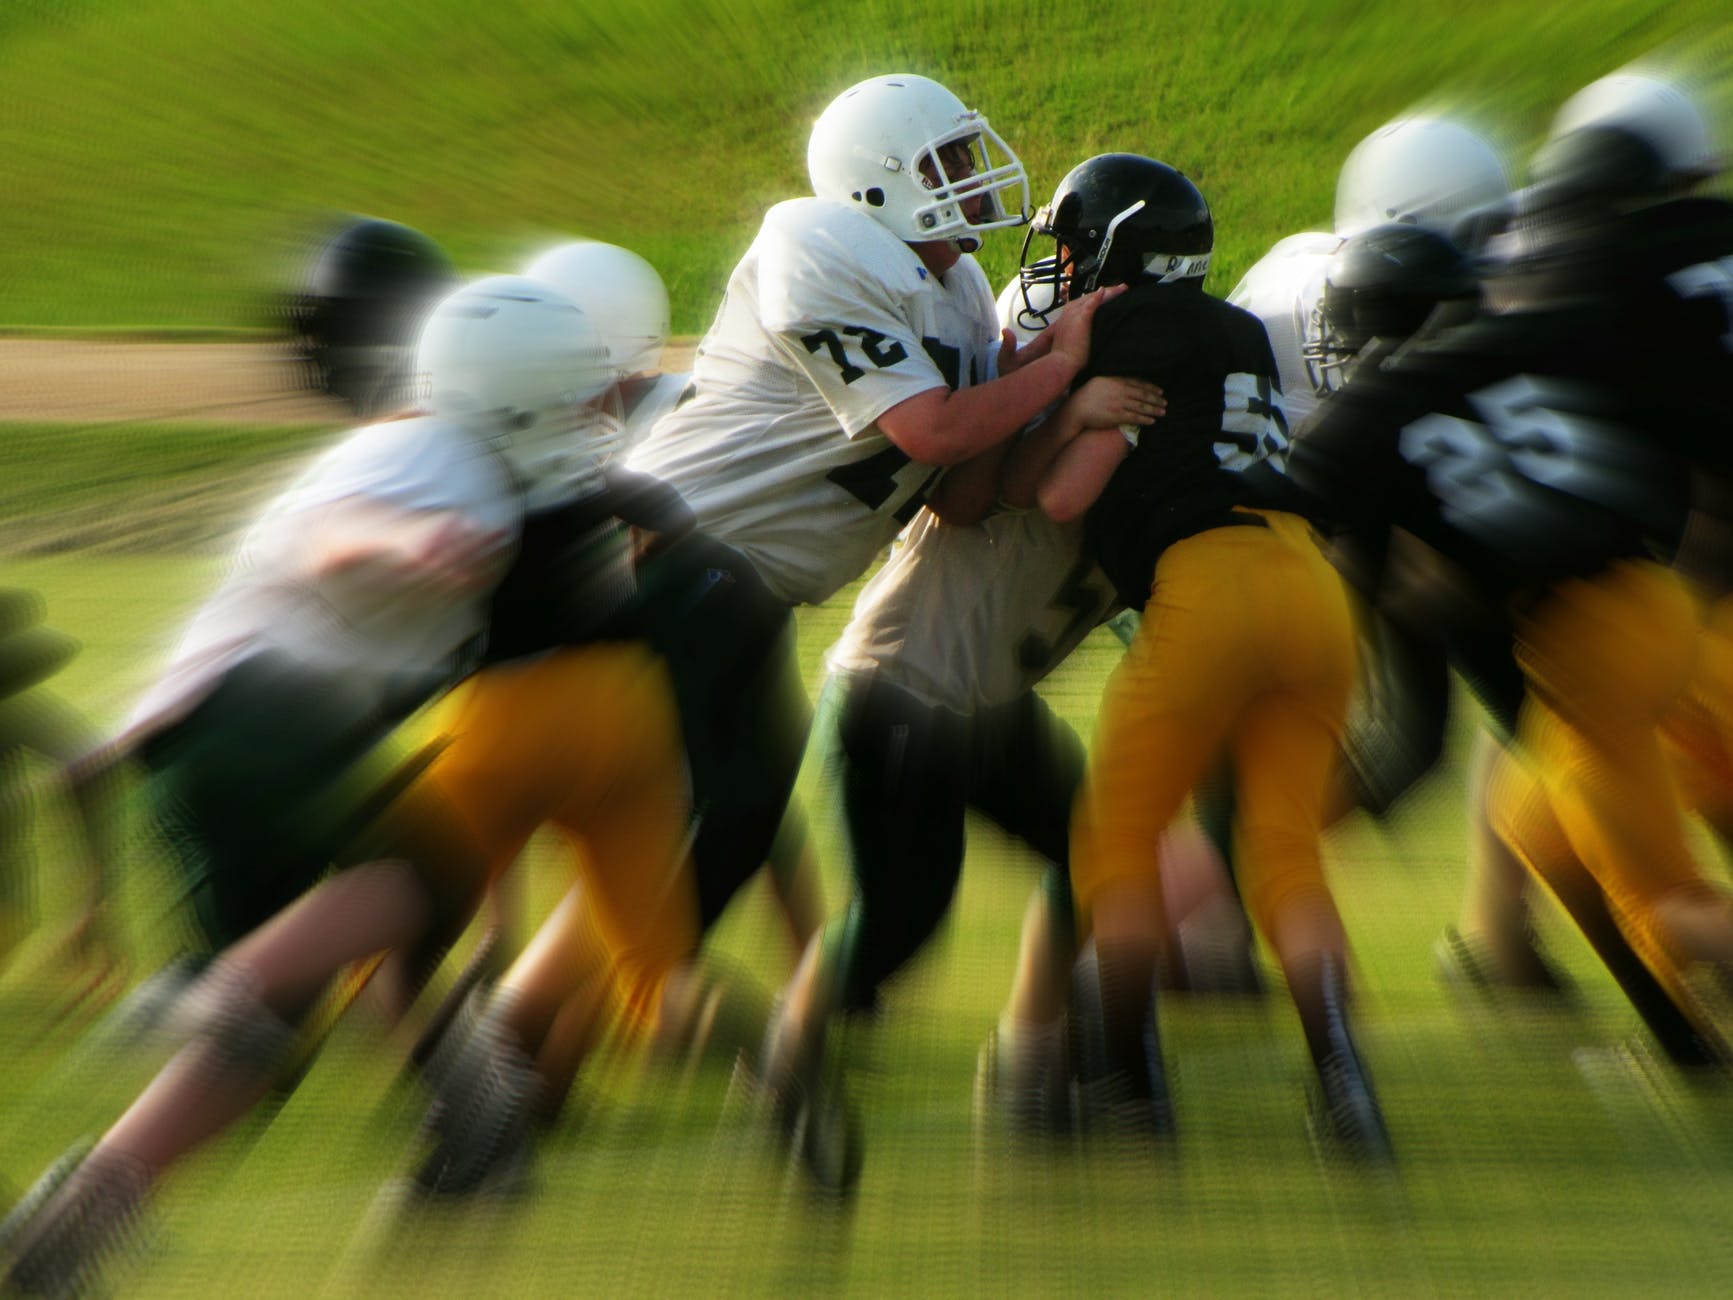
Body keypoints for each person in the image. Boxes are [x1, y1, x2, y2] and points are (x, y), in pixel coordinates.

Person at [0, 274, 629, 1294]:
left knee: (271, 1041)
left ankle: (83, 1209)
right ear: (511, 392)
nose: (585, 412)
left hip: (218, 749)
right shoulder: (438, 456)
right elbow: (330, 535)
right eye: (569, 392)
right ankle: (223, 985)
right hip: (258, 723)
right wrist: (404, 544)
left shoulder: (461, 465)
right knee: (428, 873)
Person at [618, 71, 1123, 1189]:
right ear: (876, 183)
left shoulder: (950, 292)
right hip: (670, 551)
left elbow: (955, 489)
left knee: (723, 812)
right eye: (941, 164)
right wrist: (1056, 368)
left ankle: (592, 1014)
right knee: (721, 807)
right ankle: (561, 1025)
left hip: (739, 585)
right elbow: (932, 427)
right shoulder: (818, 243)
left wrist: (1051, 392)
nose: (968, 182)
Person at [1289, 115, 1733, 1077]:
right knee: (1541, 827)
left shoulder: (1370, 416)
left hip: (1591, 657)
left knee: (1666, 898)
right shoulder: (1542, 333)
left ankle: (1686, 1007)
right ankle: (1682, 1042)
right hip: (1669, 606)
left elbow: (1404, 714)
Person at [1005, 152, 1389, 1157]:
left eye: (1072, 241)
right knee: (1283, 853)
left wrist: (1063, 411)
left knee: (1117, 836)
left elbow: (1060, 498)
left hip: (1208, 588)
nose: (1063, 260)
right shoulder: (1238, 332)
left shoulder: (1125, 330)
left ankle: (1130, 1086)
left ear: (1109, 245)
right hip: (1310, 587)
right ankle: (1341, 1071)